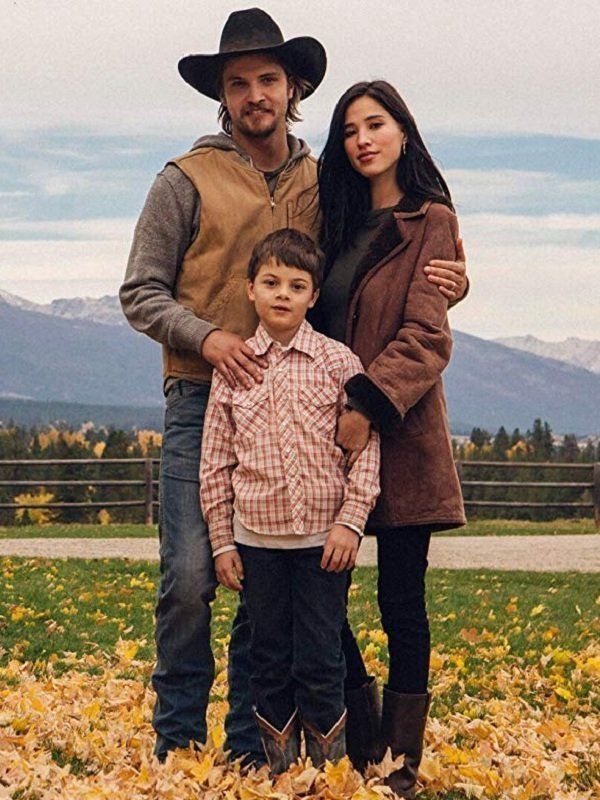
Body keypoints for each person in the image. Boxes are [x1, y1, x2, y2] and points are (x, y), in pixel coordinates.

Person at [120, 6, 467, 766]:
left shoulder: (323, 181)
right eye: (238, 82)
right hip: (204, 395)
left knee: (286, 584)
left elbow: (376, 263)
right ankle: (178, 743)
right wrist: (209, 339)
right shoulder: (185, 179)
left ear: (293, 88)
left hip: (313, 402)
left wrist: (452, 280)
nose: (255, 94)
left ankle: (259, 746)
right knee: (189, 578)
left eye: (268, 79)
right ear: (222, 93)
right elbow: (140, 292)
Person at [315, 81, 466, 798]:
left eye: (376, 124)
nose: (362, 139)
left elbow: (427, 334)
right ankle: (361, 729)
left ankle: (401, 758)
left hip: (397, 433)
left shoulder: (431, 221)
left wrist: (368, 405)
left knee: (401, 600)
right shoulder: (333, 223)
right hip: (329, 440)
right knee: (323, 595)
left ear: (404, 131)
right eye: (349, 130)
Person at [200, 228, 380, 774]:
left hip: (324, 544)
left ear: (313, 295)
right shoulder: (233, 369)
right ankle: (278, 772)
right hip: (256, 544)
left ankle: (328, 772)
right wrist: (221, 542)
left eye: (296, 285)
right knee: (268, 659)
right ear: (250, 289)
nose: (283, 294)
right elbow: (216, 463)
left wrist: (351, 522)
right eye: (271, 282)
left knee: (321, 657)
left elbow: (367, 451)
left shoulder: (338, 362)